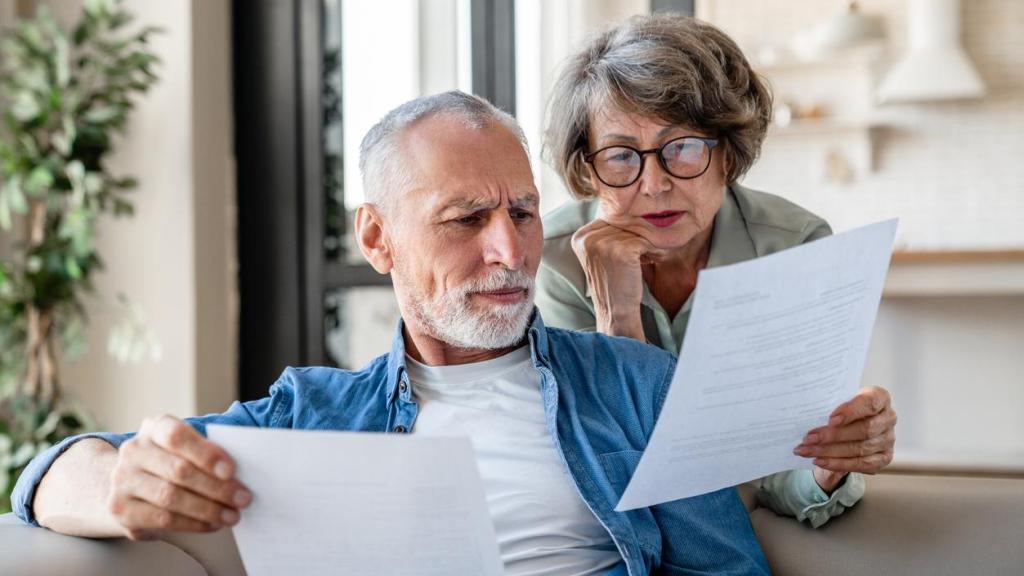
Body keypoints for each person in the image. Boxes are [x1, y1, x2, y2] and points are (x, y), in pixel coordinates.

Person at [14, 91, 769, 576]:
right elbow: (45, 474)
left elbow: (726, 570)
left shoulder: (633, 383)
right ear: (377, 239)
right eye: (467, 218)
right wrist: (122, 487)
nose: (511, 252)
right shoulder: (312, 415)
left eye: (523, 212)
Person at [536, 13, 896, 528]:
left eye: (680, 147)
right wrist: (617, 320)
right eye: (619, 156)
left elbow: (779, 468)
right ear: (587, 168)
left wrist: (829, 465)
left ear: (728, 151)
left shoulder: (794, 249)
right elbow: (602, 469)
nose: (654, 184)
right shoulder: (554, 260)